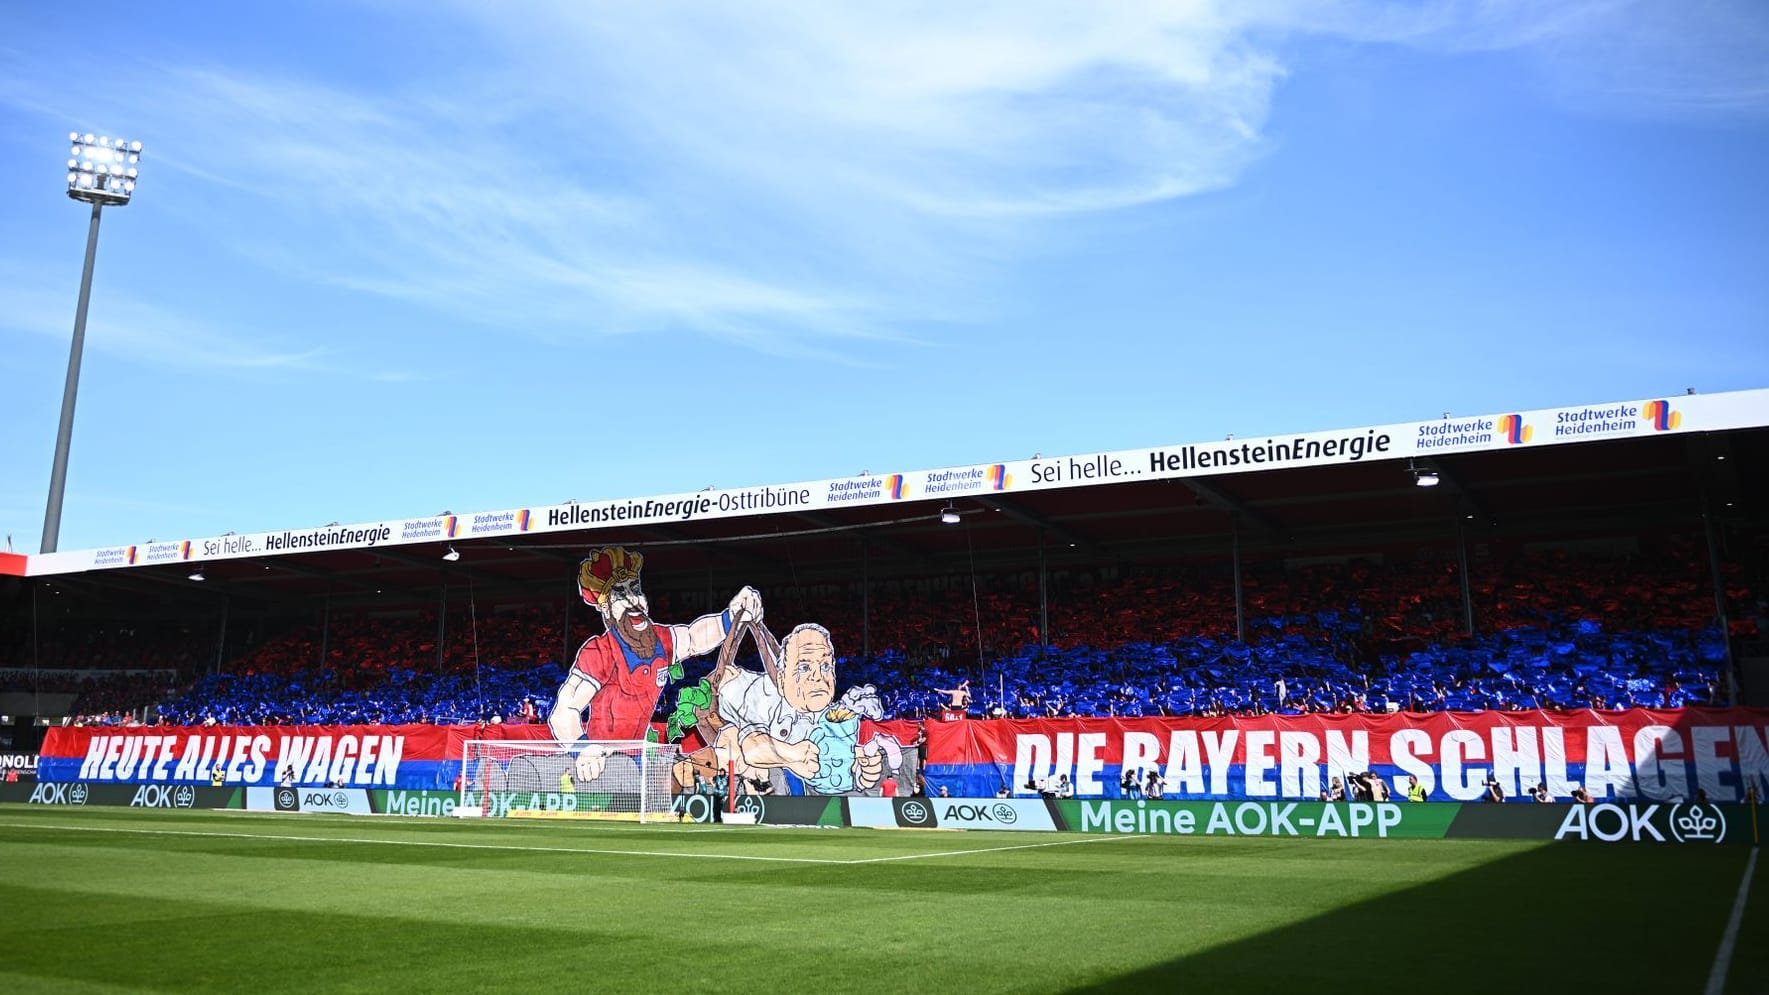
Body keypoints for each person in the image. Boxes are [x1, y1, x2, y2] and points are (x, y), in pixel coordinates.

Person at [550, 546, 763, 783]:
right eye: (620, 594)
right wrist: (584, 749)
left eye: (635, 589)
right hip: (601, 764)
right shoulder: (600, 652)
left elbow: (693, 637)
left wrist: (731, 615)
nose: (633, 600)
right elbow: (563, 712)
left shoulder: (661, 641)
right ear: (605, 607)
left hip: (638, 759)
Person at [715, 623, 893, 793]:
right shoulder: (762, 695)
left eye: (825, 666)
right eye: (804, 667)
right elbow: (753, 748)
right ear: (782, 679)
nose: (818, 676)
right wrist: (792, 753)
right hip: (721, 703)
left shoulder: (828, 714)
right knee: (732, 750)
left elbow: (829, 749)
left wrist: (857, 767)